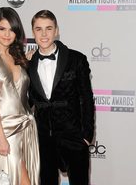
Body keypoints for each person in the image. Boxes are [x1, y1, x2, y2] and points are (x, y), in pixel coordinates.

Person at [28, 10, 95, 185]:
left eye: (48, 28)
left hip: (74, 138)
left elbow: (87, 99)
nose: (44, 34)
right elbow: (24, 102)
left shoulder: (76, 59)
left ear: (56, 30)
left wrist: (86, 136)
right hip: (43, 140)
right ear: (33, 32)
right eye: (38, 29)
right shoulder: (27, 64)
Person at [0, 7, 40, 185]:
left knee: (30, 178)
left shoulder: (18, 57)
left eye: (12, 29)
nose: (7, 34)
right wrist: (1, 138)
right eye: (2, 28)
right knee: (19, 180)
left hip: (28, 125)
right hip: (6, 129)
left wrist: (28, 60)